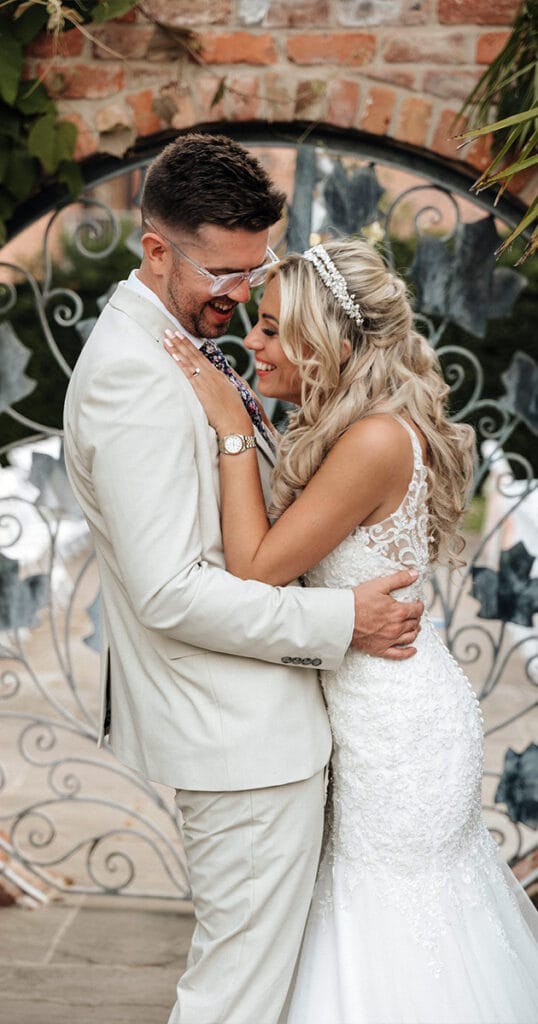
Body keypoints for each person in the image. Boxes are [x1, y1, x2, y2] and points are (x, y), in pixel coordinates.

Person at [62, 133, 424, 1024]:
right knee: (234, 1001)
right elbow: (172, 591)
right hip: (241, 745)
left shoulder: (181, 346)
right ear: (156, 250)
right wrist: (344, 623)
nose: (242, 294)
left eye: (254, 272)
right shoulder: (136, 379)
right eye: (225, 274)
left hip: (267, 737)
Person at [167, 237, 538, 1023]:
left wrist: (234, 428)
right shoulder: (356, 425)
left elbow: (257, 568)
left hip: (395, 730)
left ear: (330, 341)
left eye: (273, 330)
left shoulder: (372, 439)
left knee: (392, 932)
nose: (252, 342)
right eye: (257, 324)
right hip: (377, 699)